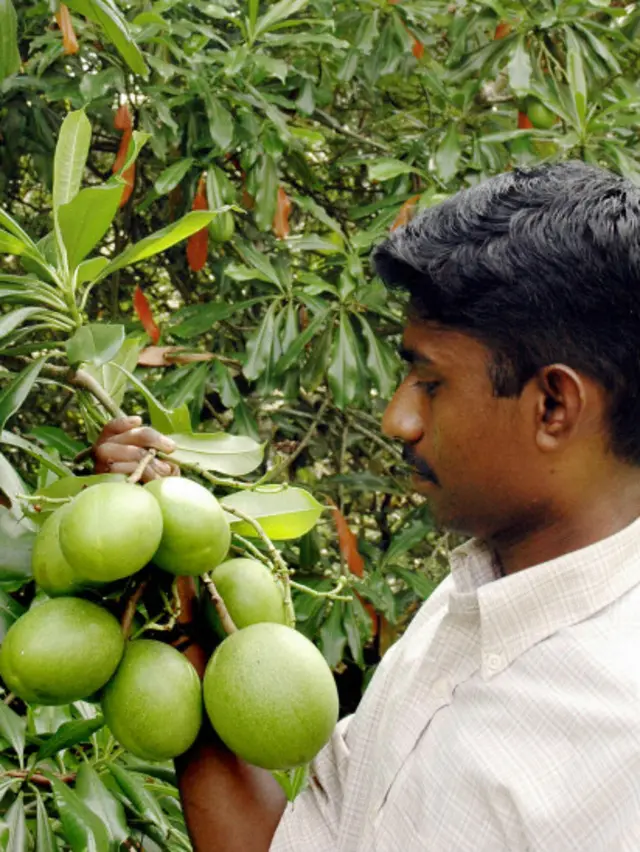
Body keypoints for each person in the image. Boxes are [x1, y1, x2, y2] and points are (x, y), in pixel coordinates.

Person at [94, 161, 640, 851]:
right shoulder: (467, 607)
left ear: (554, 405)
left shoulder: (620, 740)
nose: (397, 418)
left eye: (430, 381)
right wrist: (181, 590)